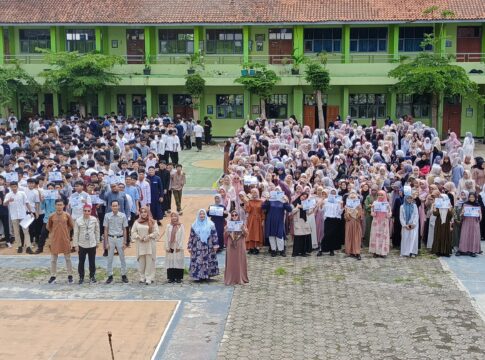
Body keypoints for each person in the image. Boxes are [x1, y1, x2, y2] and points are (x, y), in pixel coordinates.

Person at [47, 199, 75, 284]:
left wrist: (66, 232)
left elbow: (71, 226)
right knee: (53, 259)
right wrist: (54, 233)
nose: (59, 206)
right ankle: (53, 276)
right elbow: (48, 227)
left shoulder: (67, 215)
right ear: (55, 206)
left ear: (64, 206)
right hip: (55, 240)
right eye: (57, 205)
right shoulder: (51, 216)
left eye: (61, 205)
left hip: (65, 239)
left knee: (68, 258)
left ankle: (70, 275)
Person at [187, 209, 219, 281]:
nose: (202, 215)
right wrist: (189, 246)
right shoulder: (194, 225)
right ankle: (199, 276)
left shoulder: (211, 224)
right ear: (198, 215)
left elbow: (214, 235)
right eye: (200, 214)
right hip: (197, 246)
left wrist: (216, 245)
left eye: (203, 214)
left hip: (208, 246)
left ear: (205, 215)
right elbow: (191, 236)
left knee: (208, 259)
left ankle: (207, 276)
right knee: (199, 260)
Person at [131, 206, 159, 284]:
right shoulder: (137, 222)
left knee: (149, 261)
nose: (143, 214)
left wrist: (149, 236)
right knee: (141, 261)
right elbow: (133, 232)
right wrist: (138, 237)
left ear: (148, 212)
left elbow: (156, 232)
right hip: (140, 244)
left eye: (145, 212)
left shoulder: (153, 222)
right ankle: (142, 277)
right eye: (142, 212)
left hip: (150, 244)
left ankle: (149, 277)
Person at [4, 181, 34, 254]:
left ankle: (28, 247)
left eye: (15, 186)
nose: (14, 188)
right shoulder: (8, 195)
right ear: (10, 187)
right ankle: (19, 246)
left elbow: (27, 203)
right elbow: (4, 204)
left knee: (26, 231)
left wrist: (31, 212)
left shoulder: (22, 193)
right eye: (12, 187)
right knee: (16, 232)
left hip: (23, 215)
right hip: (14, 216)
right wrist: (8, 200)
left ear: (17, 186)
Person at [73, 204, 100, 284]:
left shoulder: (94, 219)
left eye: (88, 211)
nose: (87, 212)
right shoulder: (78, 220)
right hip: (82, 244)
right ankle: (81, 277)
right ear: (83, 211)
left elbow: (97, 231)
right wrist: (76, 245)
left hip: (92, 244)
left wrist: (97, 242)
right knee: (81, 262)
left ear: (91, 211)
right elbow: (76, 233)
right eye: (85, 211)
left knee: (92, 262)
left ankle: (92, 276)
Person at [104, 200, 129, 284]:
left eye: (116, 206)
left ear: (119, 206)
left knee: (122, 257)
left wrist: (125, 242)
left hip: (120, 238)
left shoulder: (123, 216)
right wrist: (106, 242)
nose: (114, 207)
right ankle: (110, 275)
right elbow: (106, 229)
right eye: (113, 206)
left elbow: (125, 229)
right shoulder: (107, 216)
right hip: (110, 238)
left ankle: (123, 275)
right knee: (110, 258)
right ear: (111, 207)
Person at [262, 192, 292, 257]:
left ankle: (281, 250)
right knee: (271, 236)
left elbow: (289, 209)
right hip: (270, 221)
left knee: (279, 236)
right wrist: (266, 200)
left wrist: (286, 201)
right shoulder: (270, 201)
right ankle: (273, 250)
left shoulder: (282, 201)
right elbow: (263, 207)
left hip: (279, 221)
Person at [224, 211, 249, 285]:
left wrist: (243, 229)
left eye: (236, 215)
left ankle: (240, 277)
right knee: (231, 261)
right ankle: (230, 278)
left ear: (238, 216)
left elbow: (246, 234)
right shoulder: (228, 225)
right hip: (231, 245)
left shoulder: (242, 224)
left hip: (240, 245)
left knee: (239, 261)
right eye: (232, 215)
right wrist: (227, 230)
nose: (234, 216)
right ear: (231, 216)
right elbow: (225, 236)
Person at [457, 193, 481, 257]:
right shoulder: (465, 204)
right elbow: (461, 215)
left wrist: (478, 215)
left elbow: (480, 217)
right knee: (464, 235)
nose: (471, 198)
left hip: (474, 223)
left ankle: (473, 251)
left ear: (475, 198)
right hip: (466, 222)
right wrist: (462, 213)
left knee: (473, 236)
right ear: (468, 197)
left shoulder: (477, 205)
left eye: (473, 197)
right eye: (470, 197)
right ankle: (462, 250)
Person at [369, 191, 391, 258]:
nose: (380, 196)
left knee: (383, 236)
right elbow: (372, 213)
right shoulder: (375, 203)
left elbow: (389, 213)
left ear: (384, 196)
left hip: (384, 221)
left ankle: (383, 252)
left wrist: (387, 211)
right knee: (375, 236)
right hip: (376, 222)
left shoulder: (387, 204)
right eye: (379, 195)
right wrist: (373, 209)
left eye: (382, 195)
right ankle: (375, 252)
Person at [165, 212, 185, 283]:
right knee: (171, 260)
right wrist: (167, 247)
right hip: (171, 245)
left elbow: (183, 236)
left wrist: (180, 246)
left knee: (178, 260)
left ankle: (178, 277)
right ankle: (171, 277)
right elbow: (166, 236)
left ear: (177, 217)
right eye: (172, 216)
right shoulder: (168, 226)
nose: (174, 218)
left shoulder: (181, 226)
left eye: (175, 216)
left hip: (178, 245)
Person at [291, 192, 312, 257]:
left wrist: (311, 207)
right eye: (303, 196)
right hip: (297, 222)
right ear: (301, 195)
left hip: (304, 222)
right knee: (297, 238)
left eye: (305, 197)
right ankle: (295, 253)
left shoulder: (306, 203)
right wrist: (298, 207)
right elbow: (291, 212)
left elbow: (308, 213)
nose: (303, 198)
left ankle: (303, 252)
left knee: (304, 237)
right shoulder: (294, 203)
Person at [244, 188, 264, 254]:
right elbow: (247, 210)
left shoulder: (261, 201)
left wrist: (263, 220)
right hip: (251, 219)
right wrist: (247, 202)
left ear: (258, 193)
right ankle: (251, 247)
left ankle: (256, 248)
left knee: (257, 233)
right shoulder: (249, 201)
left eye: (255, 192)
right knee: (250, 233)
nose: (254, 194)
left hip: (258, 219)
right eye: (252, 192)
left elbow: (262, 212)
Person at [344, 192, 363, 260]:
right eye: (351, 198)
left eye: (354, 197)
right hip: (349, 223)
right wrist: (347, 214)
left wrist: (356, 212)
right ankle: (349, 251)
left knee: (356, 237)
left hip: (356, 223)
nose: (352, 199)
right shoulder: (346, 206)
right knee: (349, 236)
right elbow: (346, 217)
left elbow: (360, 216)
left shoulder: (359, 205)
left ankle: (357, 252)